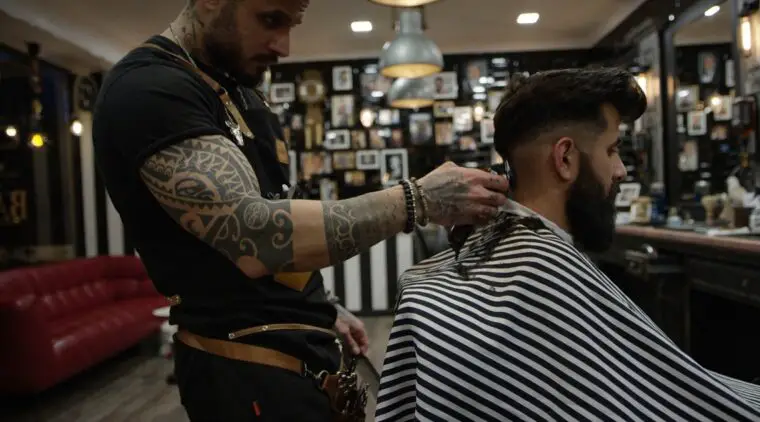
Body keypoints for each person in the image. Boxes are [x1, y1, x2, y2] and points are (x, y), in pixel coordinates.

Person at [91, 0, 509, 421]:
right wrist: (416, 198)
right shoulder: (149, 89)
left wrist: (320, 304)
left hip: (298, 351)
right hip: (243, 363)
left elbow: (272, 209)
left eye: (292, 24)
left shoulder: (240, 90)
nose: (285, 46)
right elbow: (253, 237)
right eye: (270, 19)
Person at [375, 68, 760, 421]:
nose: (621, 171)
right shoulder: (541, 273)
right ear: (565, 158)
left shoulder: (450, 274)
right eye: (613, 150)